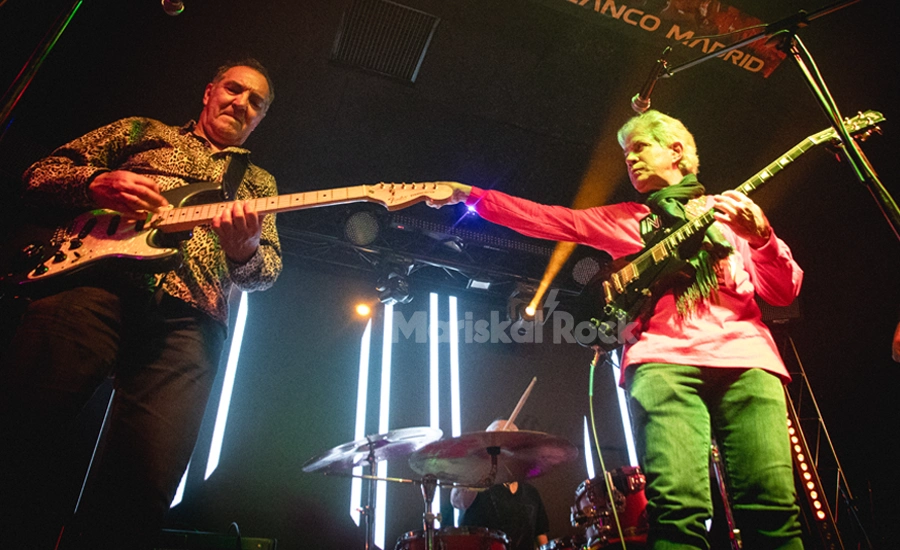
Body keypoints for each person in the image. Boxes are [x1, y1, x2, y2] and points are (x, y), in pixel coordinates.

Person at [431, 109, 805, 549]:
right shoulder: (627, 218)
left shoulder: (732, 213)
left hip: (748, 361)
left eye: (640, 148)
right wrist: (470, 195)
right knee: (678, 512)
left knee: (773, 510)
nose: (631, 160)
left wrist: (761, 238)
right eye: (626, 155)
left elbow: (782, 291)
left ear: (677, 151)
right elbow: (552, 219)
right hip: (664, 364)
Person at [0, 58, 282, 550]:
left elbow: (267, 272)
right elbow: (40, 174)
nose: (242, 103)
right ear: (209, 91)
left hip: (192, 319)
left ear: (260, 119)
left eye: (255, 102)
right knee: (21, 429)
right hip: (92, 283)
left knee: (143, 486)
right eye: (234, 89)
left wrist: (245, 252)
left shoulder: (259, 183)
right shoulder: (142, 130)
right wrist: (95, 183)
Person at [450, 420, 550, 550]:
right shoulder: (478, 485)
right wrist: (477, 467)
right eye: (495, 438)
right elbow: (458, 501)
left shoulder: (531, 493)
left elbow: (541, 538)